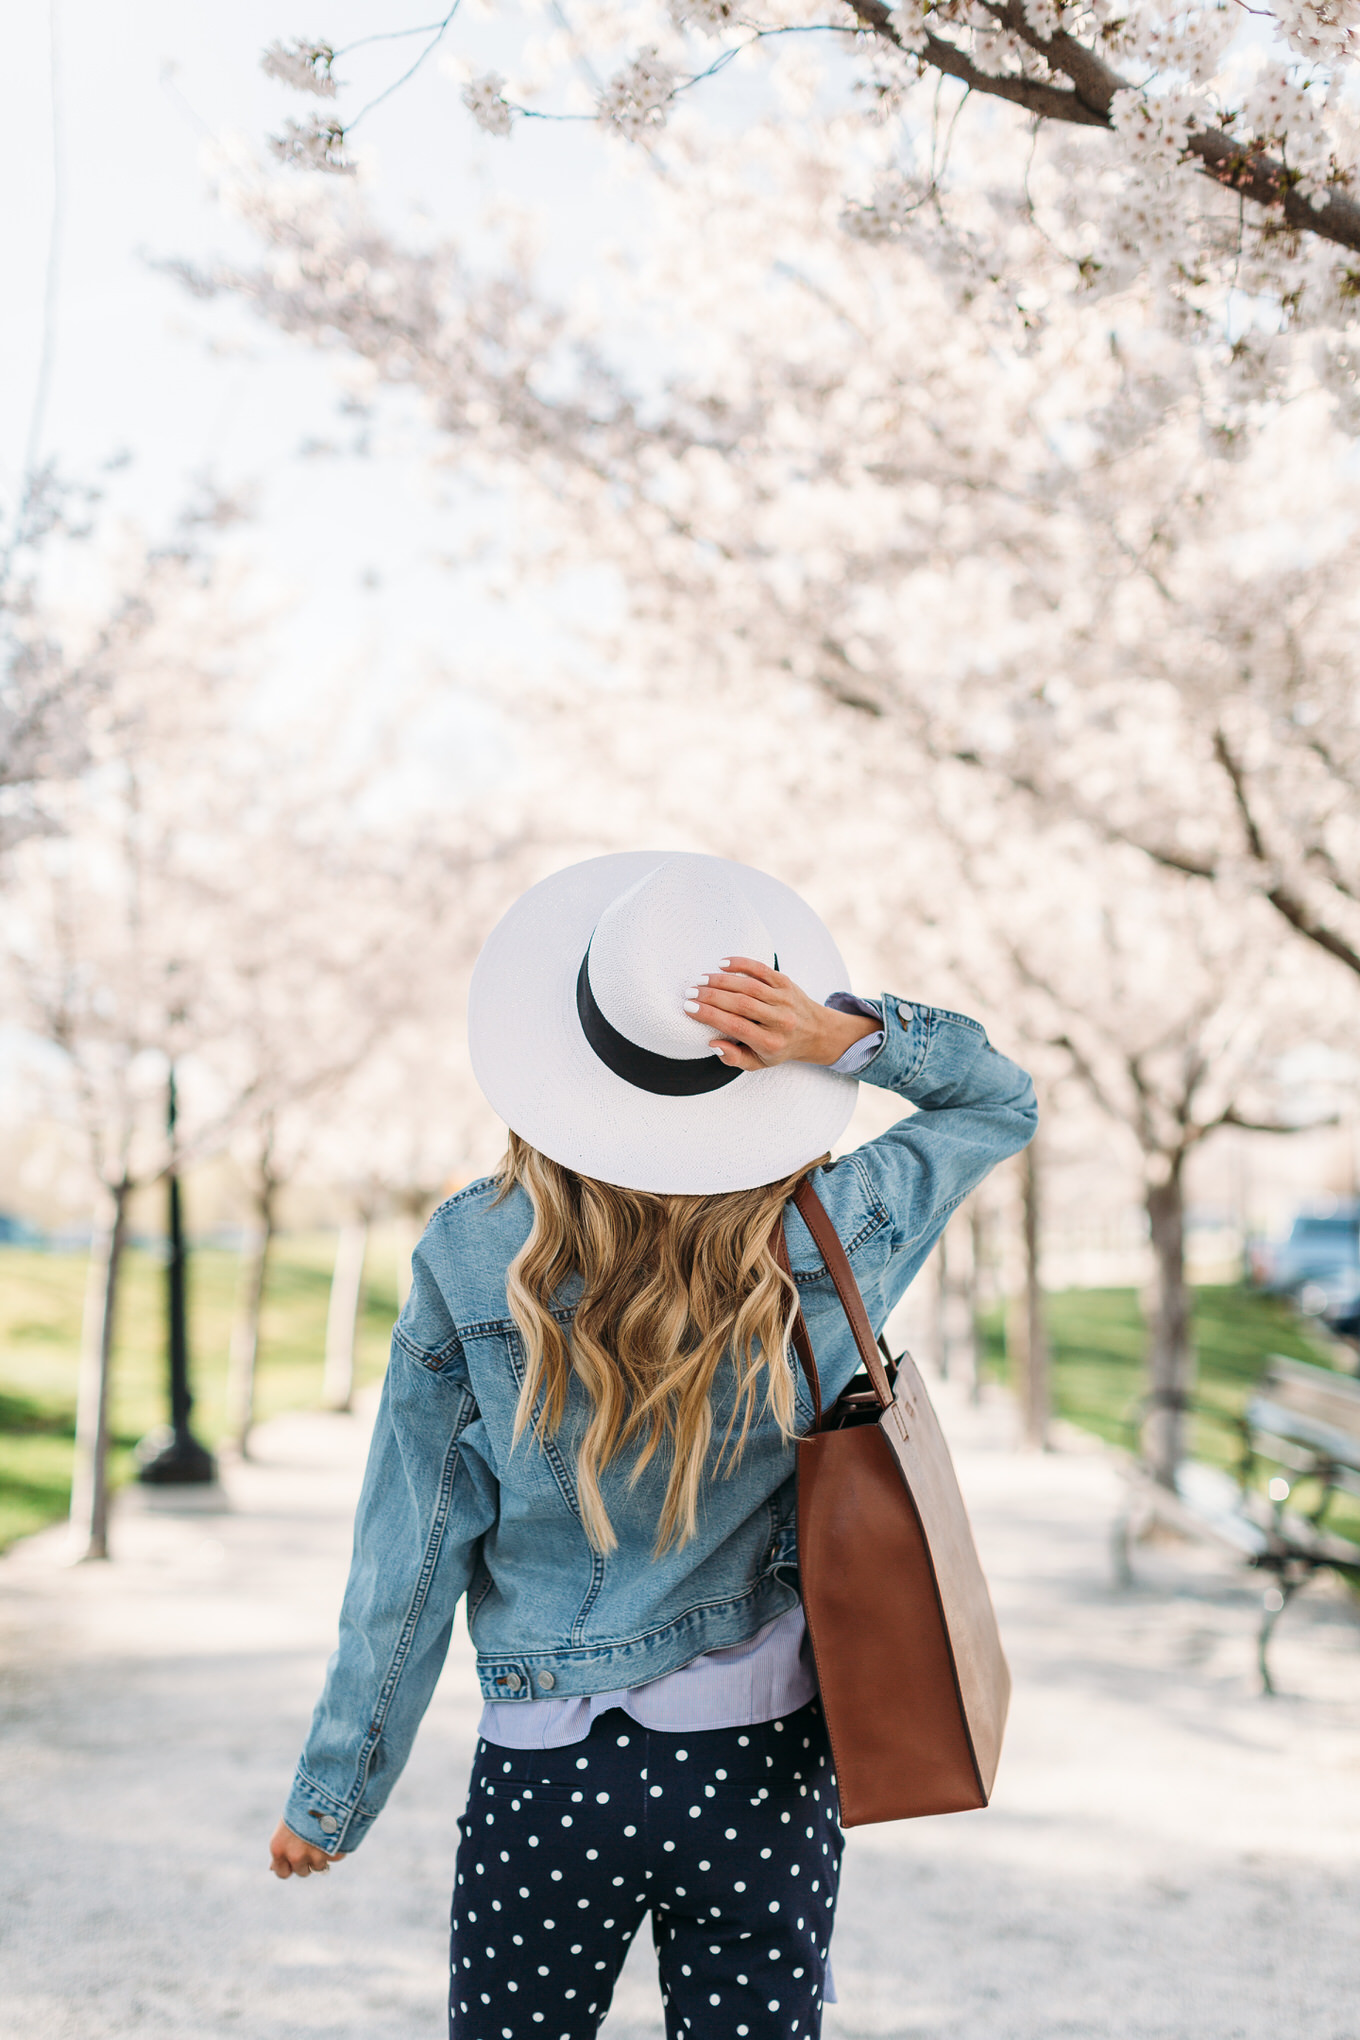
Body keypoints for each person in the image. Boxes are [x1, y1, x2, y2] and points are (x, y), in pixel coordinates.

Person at [268, 852, 1037, 2040]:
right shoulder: (837, 1226)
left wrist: (335, 1793)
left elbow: (410, 1555)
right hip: (759, 1771)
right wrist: (842, 1036)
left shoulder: (473, 1255)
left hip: (546, 1774)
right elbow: (1000, 1100)